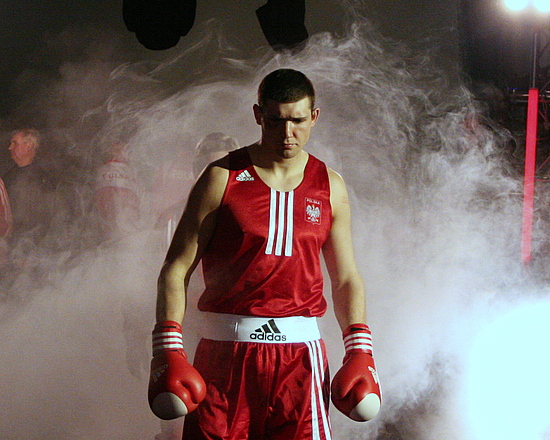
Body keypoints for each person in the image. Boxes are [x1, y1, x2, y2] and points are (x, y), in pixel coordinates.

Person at [148, 69, 382, 440]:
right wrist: (167, 349)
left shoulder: (329, 185)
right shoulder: (221, 177)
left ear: (314, 117)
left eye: (297, 121)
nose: (287, 133)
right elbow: (176, 269)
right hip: (225, 357)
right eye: (275, 121)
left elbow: (346, 277)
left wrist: (360, 349)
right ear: (258, 115)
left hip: (300, 362)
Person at [2, 128, 55, 268]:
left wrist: (32, 250)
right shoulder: (8, 177)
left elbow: (48, 217)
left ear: (29, 146)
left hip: (34, 250)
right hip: (11, 248)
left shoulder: (43, 177)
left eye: (15, 143)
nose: (10, 147)